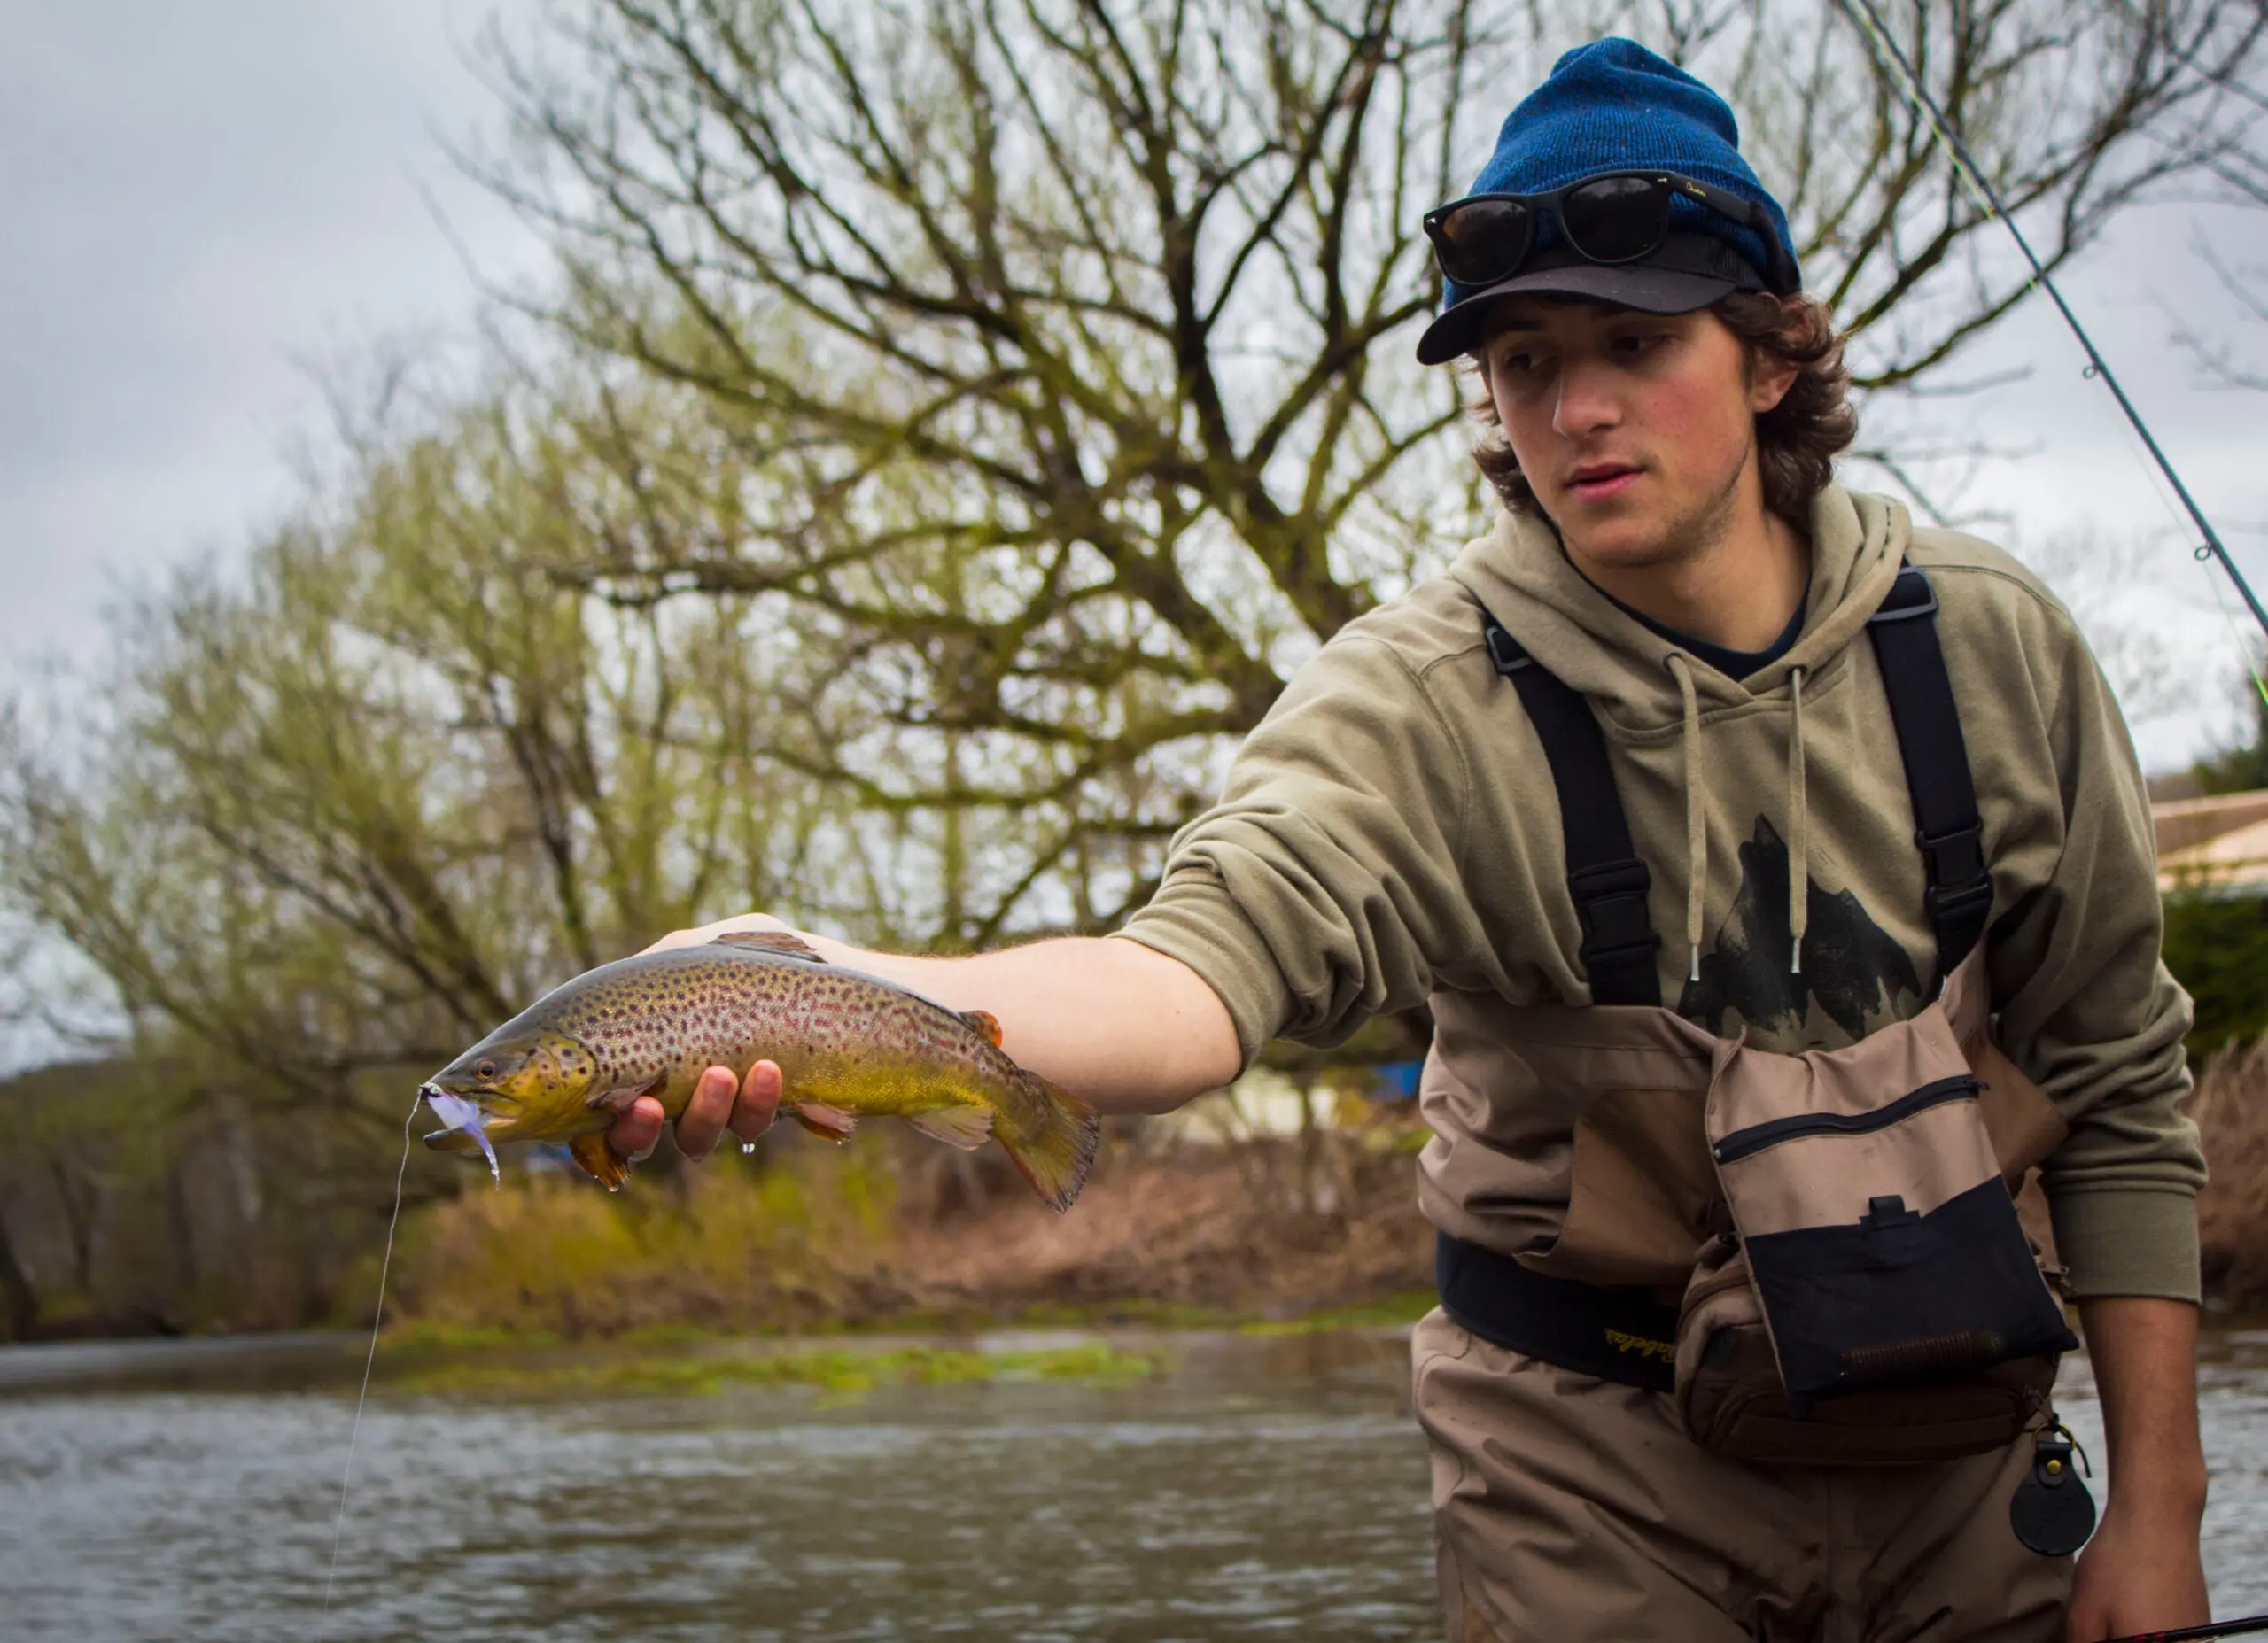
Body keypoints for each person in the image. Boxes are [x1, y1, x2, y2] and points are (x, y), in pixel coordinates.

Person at [610, 39, 2209, 1643]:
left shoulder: (1995, 647)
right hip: (1593, 1478)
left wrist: (2159, 1510)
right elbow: (1184, 986)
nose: (1573, 409)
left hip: (1968, 1455)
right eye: (1521, 363)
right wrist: (817, 983)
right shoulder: (1419, 698)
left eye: (1635, 342)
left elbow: (2119, 1084)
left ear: (1773, 356)